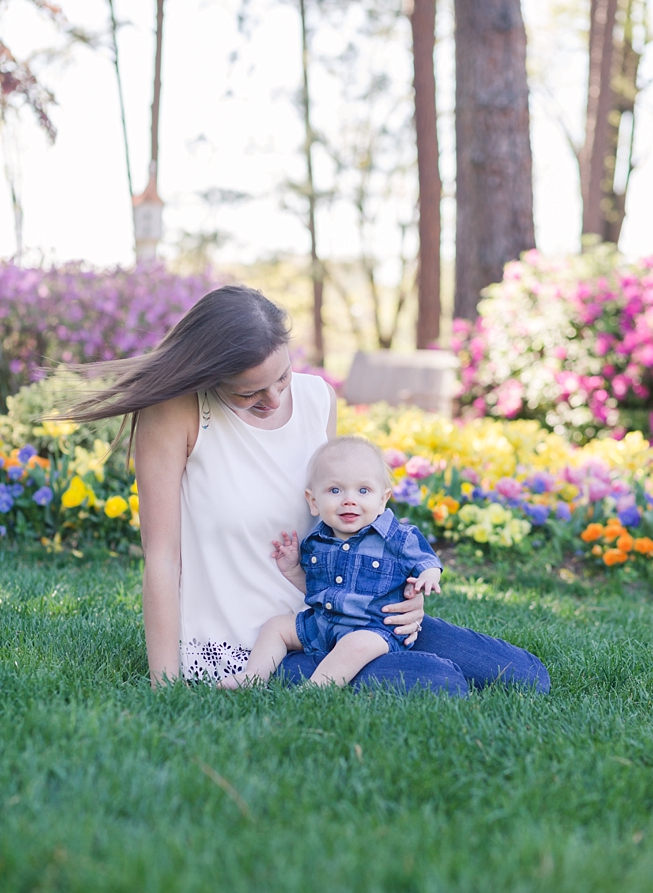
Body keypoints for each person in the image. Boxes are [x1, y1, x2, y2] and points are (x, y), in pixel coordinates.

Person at [67, 285, 550, 696]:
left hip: (347, 614)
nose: (274, 397)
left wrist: (406, 594)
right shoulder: (178, 412)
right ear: (208, 376)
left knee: (528, 677)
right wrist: (163, 684)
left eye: (281, 377)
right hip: (254, 643)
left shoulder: (318, 398)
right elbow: (162, 556)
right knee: (438, 682)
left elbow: (343, 523)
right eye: (248, 392)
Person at [220, 437, 444, 688]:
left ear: (382, 500)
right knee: (276, 626)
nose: (349, 500)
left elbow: (427, 560)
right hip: (322, 624)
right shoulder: (316, 542)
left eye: (363, 491)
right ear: (313, 501)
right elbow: (317, 588)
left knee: (355, 645)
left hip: (372, 630)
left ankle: (316, 689)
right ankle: (253, 675)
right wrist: (294, 569)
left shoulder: (396, 537)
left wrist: (429, 576)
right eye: (335, 490)